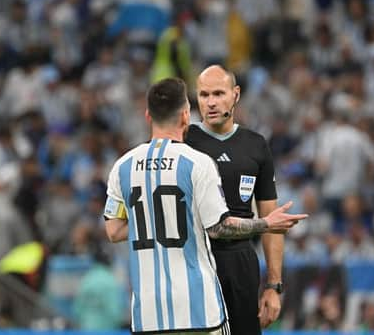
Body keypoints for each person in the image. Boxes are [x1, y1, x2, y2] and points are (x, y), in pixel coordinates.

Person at [104, 78, 306, 334]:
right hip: (198, 310)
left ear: (147, 116)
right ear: (186, 115)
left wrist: (159, 219)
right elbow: (219, 228)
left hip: (148, 312)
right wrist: (266, 223)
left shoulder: (122, 166)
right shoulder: (198, 163)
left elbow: (113, 230)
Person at [184, 65, 284, 334]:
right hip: (194, 261)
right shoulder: (183, 142)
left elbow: (271, 221)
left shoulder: (255, 145)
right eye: (204, 95)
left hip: (240, 261)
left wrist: (274, 286)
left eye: (218, 93)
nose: (211, 102)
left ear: (236, 95)